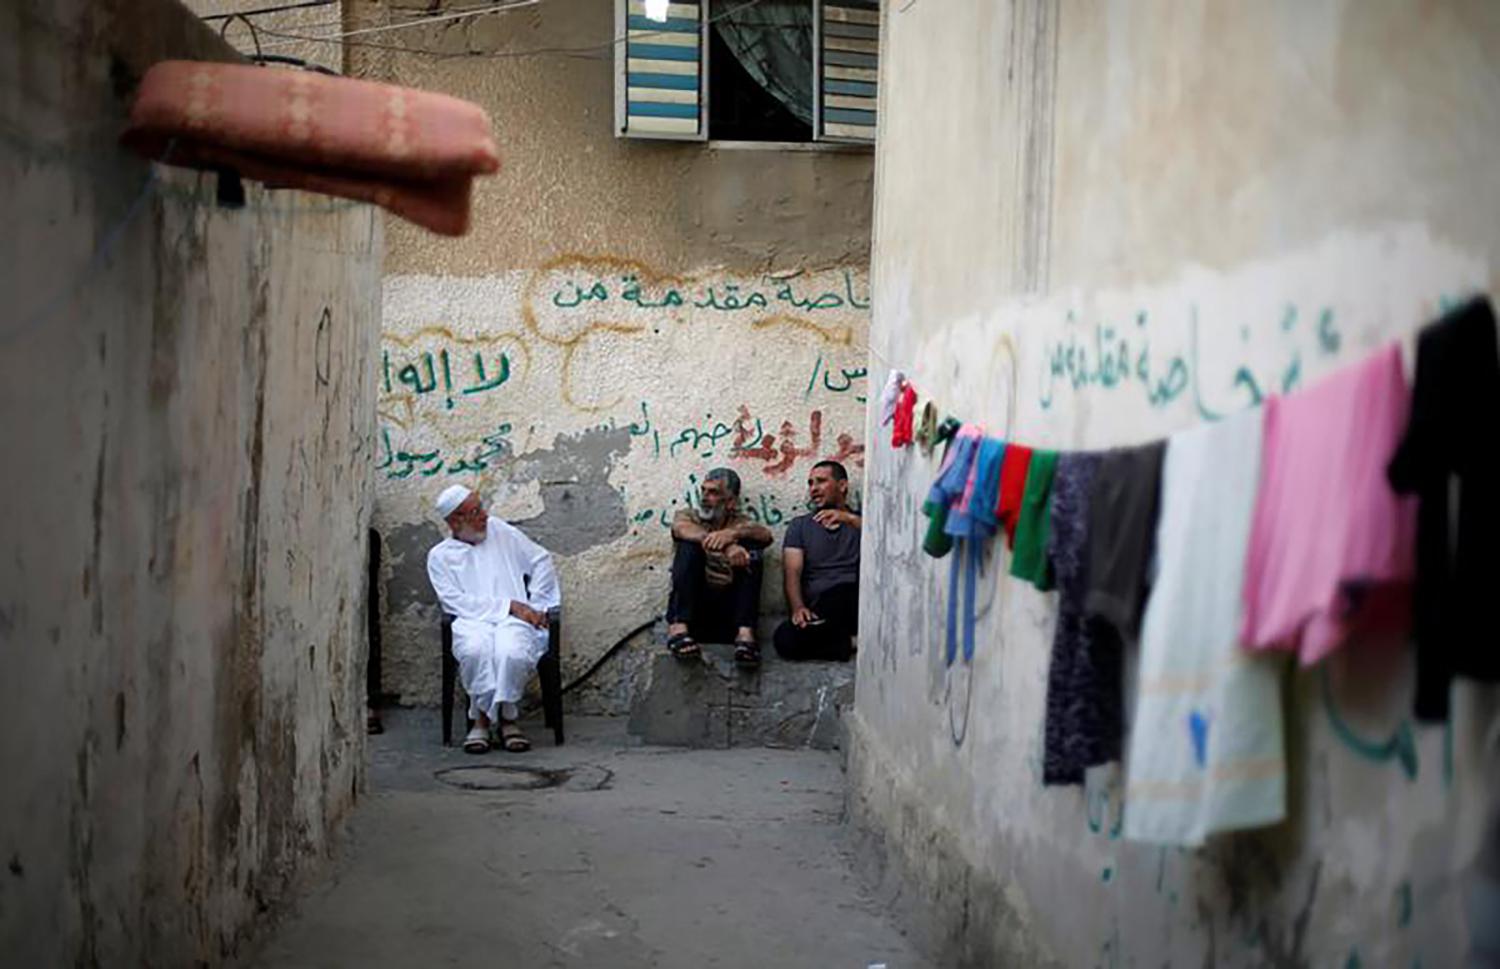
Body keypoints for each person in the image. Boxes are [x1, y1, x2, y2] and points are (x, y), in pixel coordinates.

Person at [426, 485, 560, 754]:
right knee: (476, 650)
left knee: (512, 652)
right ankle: (484, 721)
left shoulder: (500, 531)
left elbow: (540, 560)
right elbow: (455, 602)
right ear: (455, 521)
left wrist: (536, 606)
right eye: (475, 511)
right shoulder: (439, 557)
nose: (484, 515)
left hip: (514, 623)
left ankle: (505, 719)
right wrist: (509, 605)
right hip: (472, 622)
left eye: (481, 507)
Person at [666, 467, 773, 667]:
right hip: (694, 614)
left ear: (731, 502)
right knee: (689, 544)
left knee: (752, 549)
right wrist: (728, 545)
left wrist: (733, 534)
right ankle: (678, 629)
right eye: (704, 490)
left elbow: (765, 536)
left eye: (714, 492)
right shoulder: (688, 516)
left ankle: (746, 634)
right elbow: (681, 529)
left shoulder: (739, 522)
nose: (705, 497)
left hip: (729, 616)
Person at [774, 461, 861, 661]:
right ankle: (852, 643)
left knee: (843, 592)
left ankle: (838, 643)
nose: (814, 489)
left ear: (842, 486)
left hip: (854, 601)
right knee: (784, 639)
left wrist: (848, 519)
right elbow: (792, 572)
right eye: (810, 483)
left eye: (821, 481)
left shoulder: (861, 522)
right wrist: (798, 608)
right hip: (820, 608)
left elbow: (885, 543)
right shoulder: (800, 526)